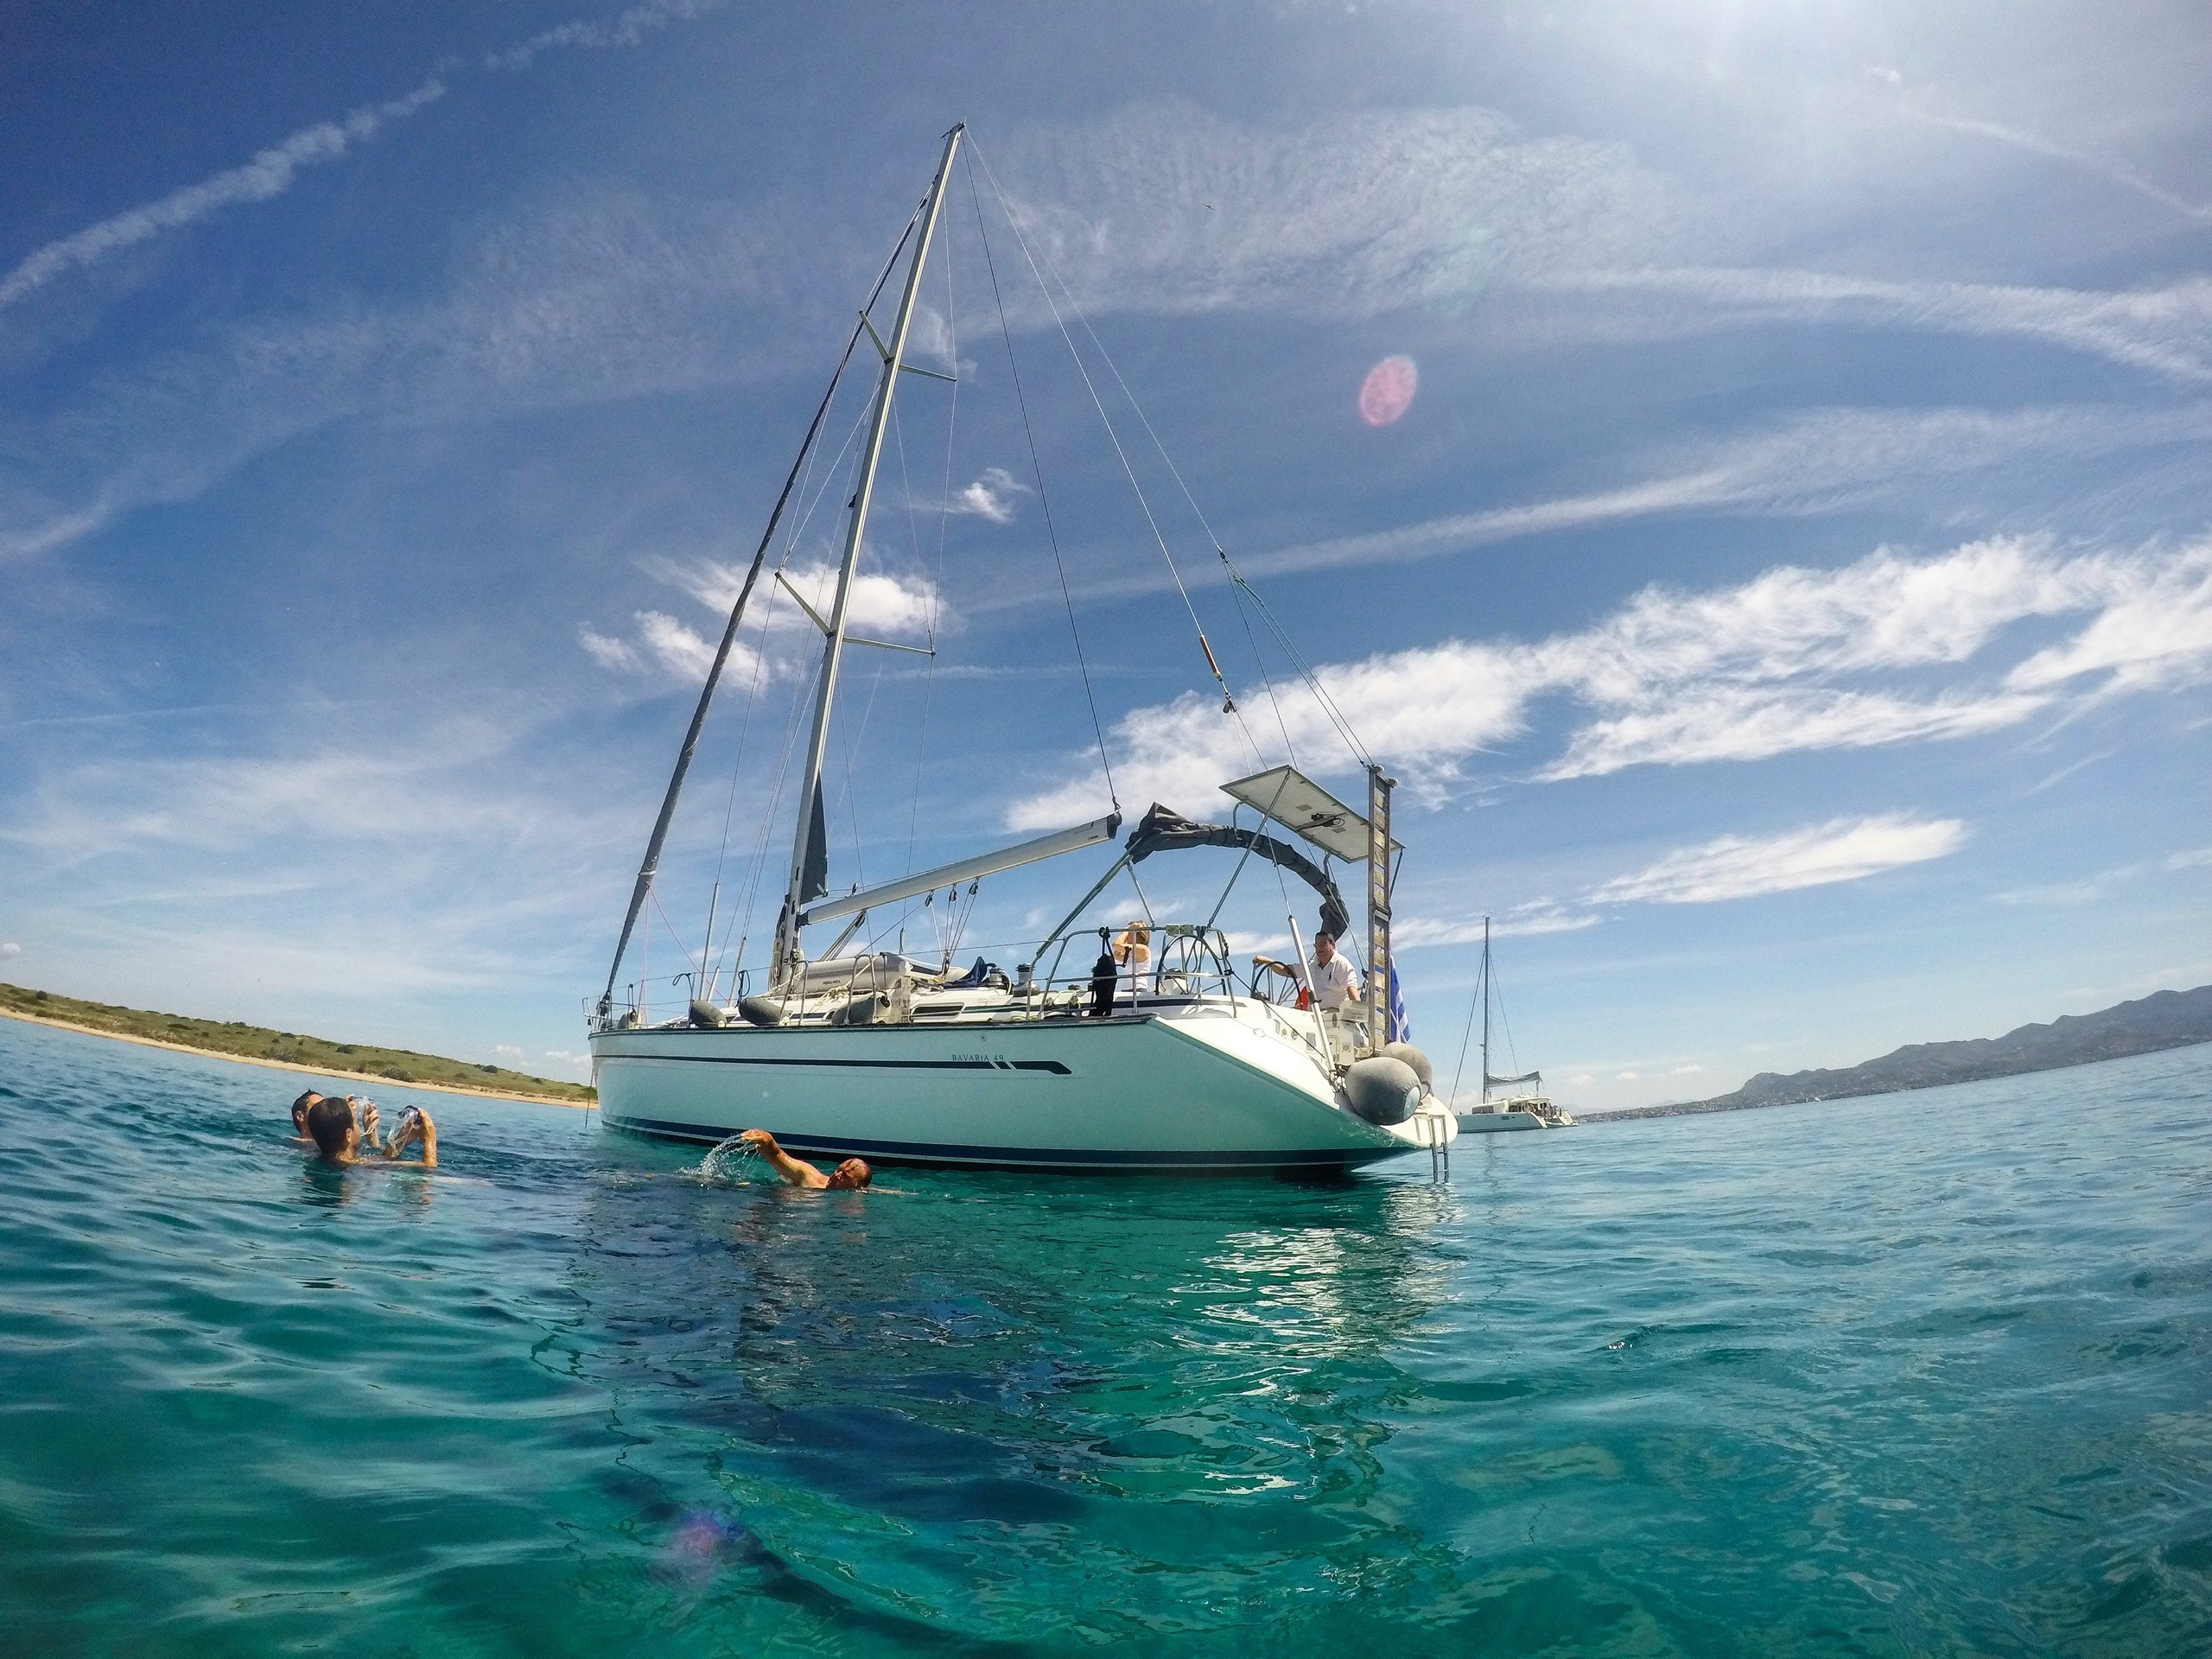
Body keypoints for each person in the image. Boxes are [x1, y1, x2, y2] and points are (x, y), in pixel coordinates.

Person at [304, 1094, 437, 1168]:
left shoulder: (326, 1159)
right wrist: (429, 1141)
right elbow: (428, 1171)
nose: (359, 1127)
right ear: (348, 1135)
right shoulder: (353, 1167)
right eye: (356, 1123)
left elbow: (383, 1160)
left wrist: (402, 1137)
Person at [1255, 929, 1363, 1011]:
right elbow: (1288, 971)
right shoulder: (1312, 966)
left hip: (1334, 1015)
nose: (1319, 948)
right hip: (1314, 1015)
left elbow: (1352, 990)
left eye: (1323, 944)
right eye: (1317, 945)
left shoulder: (1341, 964)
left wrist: (1358, 1015)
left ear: (1333, 945)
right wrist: (1267, 961)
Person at [739, 1128, 870, 1190]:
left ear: (857, 1185)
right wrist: (768, 1139)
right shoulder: (808, 1175)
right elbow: (778, 1156)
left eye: (845, 1176)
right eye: (839, 1170)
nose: (836, 1175)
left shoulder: (857, 1196)